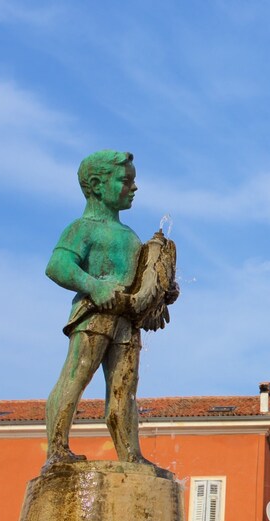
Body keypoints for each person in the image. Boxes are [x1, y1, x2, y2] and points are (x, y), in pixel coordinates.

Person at [42, 150, 175, 470]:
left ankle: (131, 455)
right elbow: (57, 266)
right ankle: (57, 448)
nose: (134, 187)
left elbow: (145, 279)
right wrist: (94, 285)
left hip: (127, 320)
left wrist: (163, 291)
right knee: (75, 378)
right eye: (125, 180)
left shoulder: (131, 236)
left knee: (125, 391)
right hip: (94, 315)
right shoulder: (82, 228)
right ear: (98, 185)